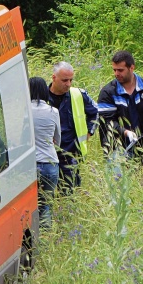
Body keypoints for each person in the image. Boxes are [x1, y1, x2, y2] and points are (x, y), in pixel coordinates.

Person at [97, 50, 143, 154]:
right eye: (114, 70)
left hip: (141, 146)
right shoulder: (108, 92)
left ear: (131, 68)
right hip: (115, 149)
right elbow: (107, 122)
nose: (116, 74)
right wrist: (125, 132)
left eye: (120, 70)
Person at [48, 61, 99, 195]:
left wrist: (90, 132)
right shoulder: (42, 97)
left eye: (71, 80)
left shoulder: (78, 95)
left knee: (69, 193)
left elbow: (96, 112)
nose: (68, 84)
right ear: (54, 78)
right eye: (65, 80)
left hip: (71, 152)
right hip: (47, 154)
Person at [29, 77, 61, 229]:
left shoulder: (25, 110)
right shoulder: (53, 111)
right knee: (46, 205)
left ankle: (32, 240)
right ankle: (46, 238)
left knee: (30, 205)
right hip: (50, 163)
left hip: (31, 165)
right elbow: (57, 139)